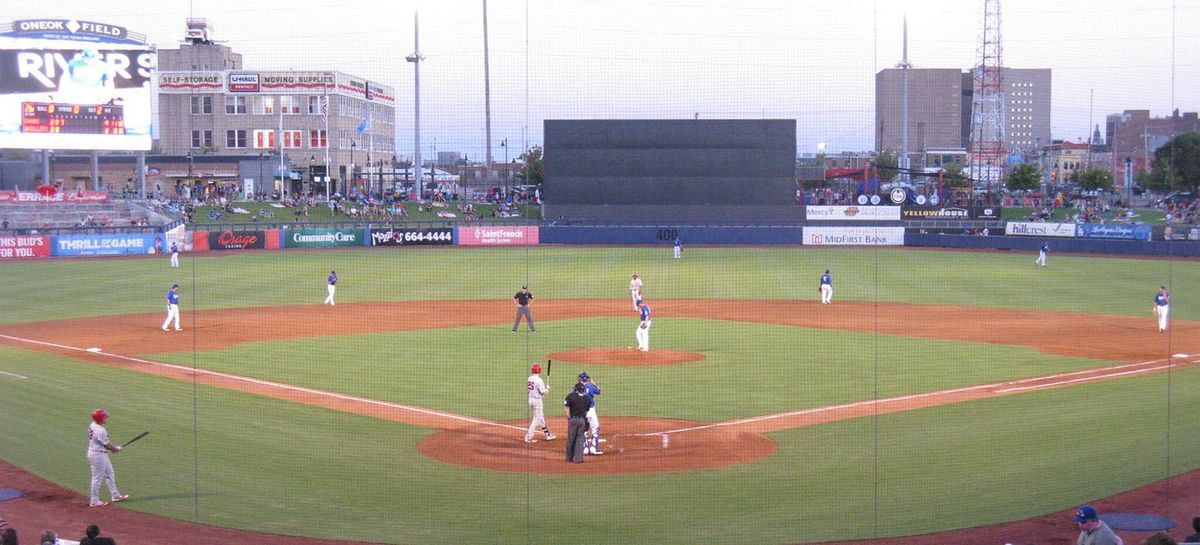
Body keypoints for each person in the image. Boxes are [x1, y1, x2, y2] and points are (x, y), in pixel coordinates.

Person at [86, 409, 128, 508]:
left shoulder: (93, 425)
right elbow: (107, 446)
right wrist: (116, 449)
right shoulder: (100, 431)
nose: (106, 418)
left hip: (98, 453)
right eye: (104, 417)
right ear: (100, 419)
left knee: (110, 473)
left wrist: (114, 449)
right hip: (98, 455)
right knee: (97, 478)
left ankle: (115, 495)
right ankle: (94, 501)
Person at [524, 363, 555, 443]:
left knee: (540, 417)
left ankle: (547, 434)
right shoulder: (539, 380)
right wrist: (547, 389)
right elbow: (543, 392)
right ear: (539, 370)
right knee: (537, 419)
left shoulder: (529, 378)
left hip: (530, 399)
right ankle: (528, 437)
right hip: (537, 401)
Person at [563, 382, 590, 463]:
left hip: (573, 420)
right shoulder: (587, 399)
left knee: (571, 439)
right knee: (580, 439)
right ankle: (578, 459)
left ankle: (569, 458)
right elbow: (586, 412)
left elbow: (566, 409)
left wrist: (569, 418)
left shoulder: (571, 396)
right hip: (582, 420)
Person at [578, 372, 603, 455]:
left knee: (584, 429)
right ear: (587, 379)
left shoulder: (576, 387)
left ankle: (584, 448)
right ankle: (593, 448)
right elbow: (599, 391)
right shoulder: (591, 386)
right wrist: (593, 383)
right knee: (595, 428)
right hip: (591, 411)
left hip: (581, 411)